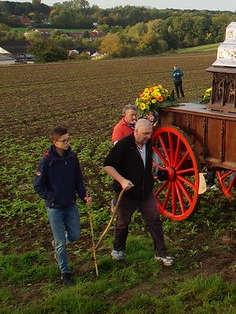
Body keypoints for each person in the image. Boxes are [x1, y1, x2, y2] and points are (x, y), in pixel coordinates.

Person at [103, 118, 174, 266]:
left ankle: (161, 253)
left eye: (150, 133)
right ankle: (118, 250)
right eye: (145, 133)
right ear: (136, 131)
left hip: (145, 191)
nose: (148, 136)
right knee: (123, 222)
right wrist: (122, 180)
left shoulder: (147, 143)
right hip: (128, 193)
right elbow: (108, 165)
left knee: (154, 219)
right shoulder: (124, 145)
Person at [33, 126, 91, 286]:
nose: (67, 143)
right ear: (54, 142)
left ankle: (59, 244)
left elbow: (78, 180)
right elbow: (38, 185)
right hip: (55, 208)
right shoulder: (46, 162)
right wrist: (52, 197)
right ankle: (65, 272)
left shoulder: (72, 158)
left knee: (75, 235)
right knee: (60, 243)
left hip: (71, 204)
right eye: (64, 140)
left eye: (68, 139)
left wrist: (84, 196)